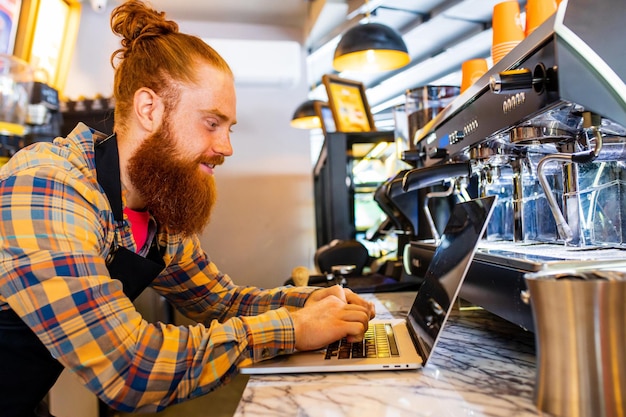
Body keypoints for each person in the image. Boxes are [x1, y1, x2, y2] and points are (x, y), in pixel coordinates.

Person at [0, 1, 375, 415]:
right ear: (149, 109)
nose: (226, 147)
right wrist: (292, 330)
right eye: (211, 123)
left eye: (228, 128)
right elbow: (130, 369)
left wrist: (314, 304)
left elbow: (222, 302)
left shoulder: (157, 204)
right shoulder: (48, 186)